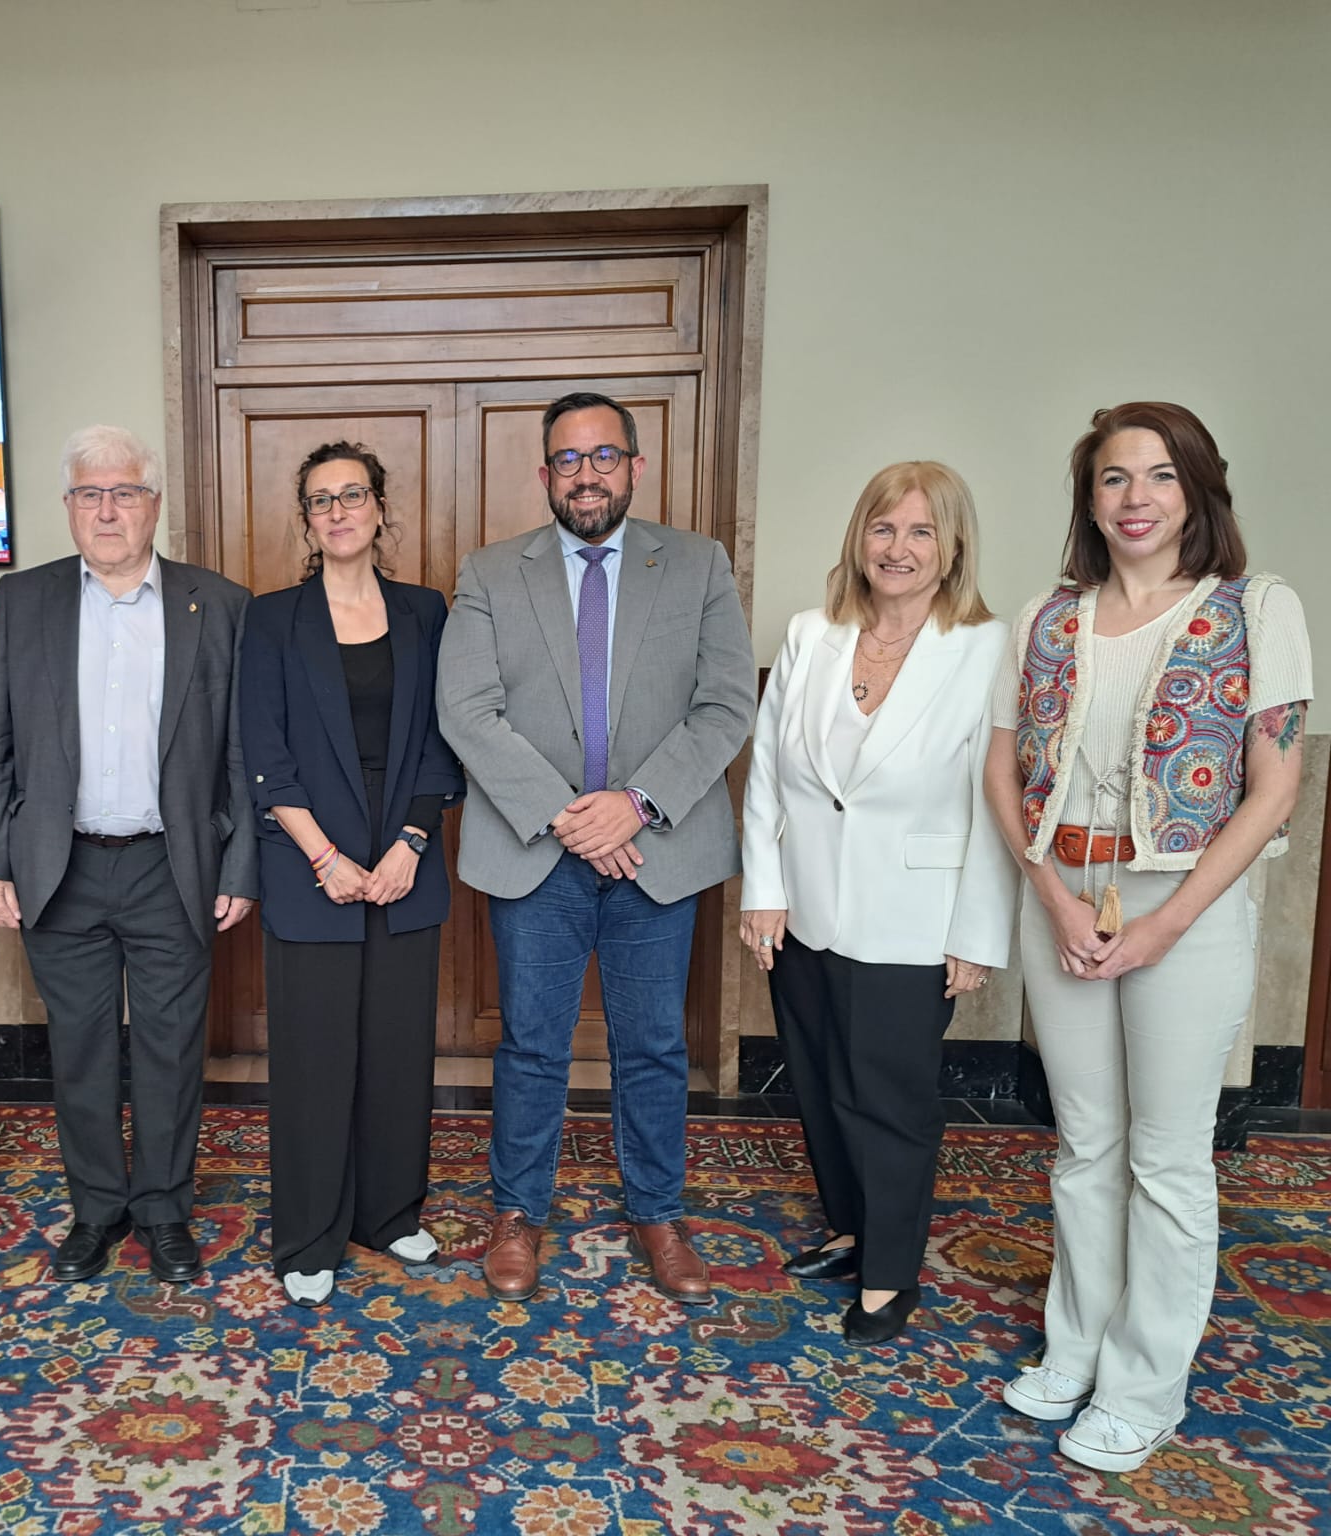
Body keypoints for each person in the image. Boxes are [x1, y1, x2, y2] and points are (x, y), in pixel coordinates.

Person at [986, 402, 1310, 1472]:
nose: (1134, 498)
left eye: (1158, 477)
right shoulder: (1044, 615)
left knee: (1167, 1158)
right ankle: (1073, 1348)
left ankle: (1143, 1386)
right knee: (1084, 1145)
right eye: (1113, 479)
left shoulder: (1252, 609)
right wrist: (1049, 892)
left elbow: (1274, 786)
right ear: (1089, 498)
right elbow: (999, 766)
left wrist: (1169, 922)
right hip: (1064, 891)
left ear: (1197, 491)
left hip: (1186, 898)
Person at [437, 392, 755, 1305]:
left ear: (635, 467)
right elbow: (466, 709)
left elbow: (726, 703)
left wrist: (635, 805)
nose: (587, 474)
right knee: (532, 1045)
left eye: (605, 456)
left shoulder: (697, 565)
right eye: (568, 460)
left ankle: (657, 1212)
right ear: (544, 475)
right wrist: (574, 815)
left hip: (658, 853)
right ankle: (516, 1214)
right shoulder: (492, 572)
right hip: (535, 853)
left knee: (652, 1044)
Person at [0, 425, 256, 1285]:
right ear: (68, 509)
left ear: (154, 505)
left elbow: (243, 752)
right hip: (62, 866)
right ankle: (96, 1209)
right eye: (90, 494)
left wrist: (240, 869)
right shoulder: (24, 600)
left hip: (175, 869)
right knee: (81, 1049)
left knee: (171, 1048)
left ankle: (163, 1209)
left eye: (125, 492)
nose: (108, 510)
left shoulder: (219, 603)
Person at [739, 462, 1017, 1344]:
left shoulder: (986, 650)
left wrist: (976, 930)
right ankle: (852, 1228)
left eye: (921, 531)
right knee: (818, 1083)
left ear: (953, 547)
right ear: (859, 539)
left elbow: (997, 799)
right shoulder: (810, 632)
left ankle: (891, 1274)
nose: (898, 549)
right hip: (805, 908)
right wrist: (764, 890)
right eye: (883, 529)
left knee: (889, 1098)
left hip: (913, 919)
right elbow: (769, 779)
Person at [238, 442, 465, 1307]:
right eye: (321, 500)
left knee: (400, 1050)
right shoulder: (272, 618)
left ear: (379, 508)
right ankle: (308, 1234)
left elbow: (447, 738)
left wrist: (409, 842)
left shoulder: (425, 612)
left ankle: (389, 1213)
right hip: (309, 864)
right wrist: (327, 857)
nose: (338, 511)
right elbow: (264, 751)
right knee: (316, 1057)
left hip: (405, 859)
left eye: (353, 495)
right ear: (306, 520)